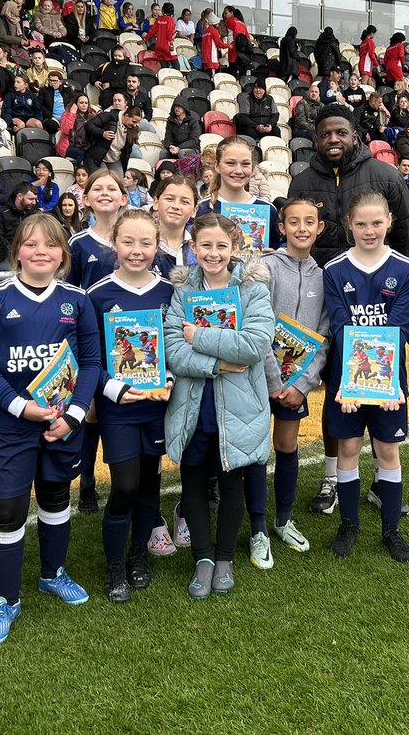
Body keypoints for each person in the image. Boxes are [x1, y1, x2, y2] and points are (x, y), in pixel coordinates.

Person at [0, 214, 101, 645]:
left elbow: (93, 363)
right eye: (30, 244)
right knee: (7, 510)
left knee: (56, 497)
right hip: (11, 426)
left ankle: (52, 573)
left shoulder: (77, 300)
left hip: (62, 424)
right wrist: (20, 406)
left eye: (50, 244)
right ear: (16, 251)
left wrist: (75, 415)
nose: (40, 251)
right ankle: (6, 598)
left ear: (63, 253)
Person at [288, 105, 409, 513]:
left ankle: (382, 481)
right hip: (333, 298)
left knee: (382, 395)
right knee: (337, 391)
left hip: (381, 292)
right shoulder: (304, 180)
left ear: (354, 134)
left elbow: (405, 234)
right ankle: (331, 478)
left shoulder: (385, 174)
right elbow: (298, 228)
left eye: (340, 132)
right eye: (325, 134)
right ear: (316, 137)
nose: (333, 140)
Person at [163, 213, 274, 598]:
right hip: (193, 407)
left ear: (234, 248)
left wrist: (200, 335)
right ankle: (203, 558)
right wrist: (220, 362)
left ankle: (225, 557)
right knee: (193, 483)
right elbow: (173, 352)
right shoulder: (182, 294)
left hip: (241, 408)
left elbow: (255, 346)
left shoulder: (253, 290)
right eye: (205, 246)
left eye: (221, 246)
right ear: (193, 248)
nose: (213, 253)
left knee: (232, 484)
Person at [85, 210, 176, 601]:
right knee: (125, 485)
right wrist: (112, 389)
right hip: (119, 408)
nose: (137, 251)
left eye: (146, 243)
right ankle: (114, 565)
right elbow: (88, 359)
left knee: (150, 484)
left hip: (156, 406)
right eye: (128, 242)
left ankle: (139, 556)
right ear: (114, 244)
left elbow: (174, 348)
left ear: (157, 246)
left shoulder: (168, 292)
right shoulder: (97, 294)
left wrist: (169, 378)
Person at [322, 191, 409, 562]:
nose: (369, 230)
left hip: (388, 375)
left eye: (376, 222)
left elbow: (398, 326)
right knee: (347, 448)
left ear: (389, 221)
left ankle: (391, 528)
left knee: (386, 449)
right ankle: (349, 524)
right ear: (349, 225)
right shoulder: (335, 270)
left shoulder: (405, 269)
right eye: (361, 223)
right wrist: (350, 381)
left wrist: (387, 381)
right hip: (348, 375)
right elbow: (341, 326)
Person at [249, 198, 329, 561]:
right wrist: (271, 381)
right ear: (281, 228)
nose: (301, 228)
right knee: (253, 451)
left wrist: (302, 384)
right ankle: (258, 529)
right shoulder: (265, 267)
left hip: (295, 386)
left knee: (286, 447)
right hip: (256, 380)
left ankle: (282, 520)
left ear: (319, 228)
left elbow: (324, 337)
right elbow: (256, 327)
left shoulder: (324, 276)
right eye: (293, 221)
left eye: (308, 221)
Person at [0, 182, 39, 248]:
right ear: (19, 196)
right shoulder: (2, 212)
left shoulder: (35, 213)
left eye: (35, 199)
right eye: (31, 199)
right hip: (9, 250)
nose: (34, 202)